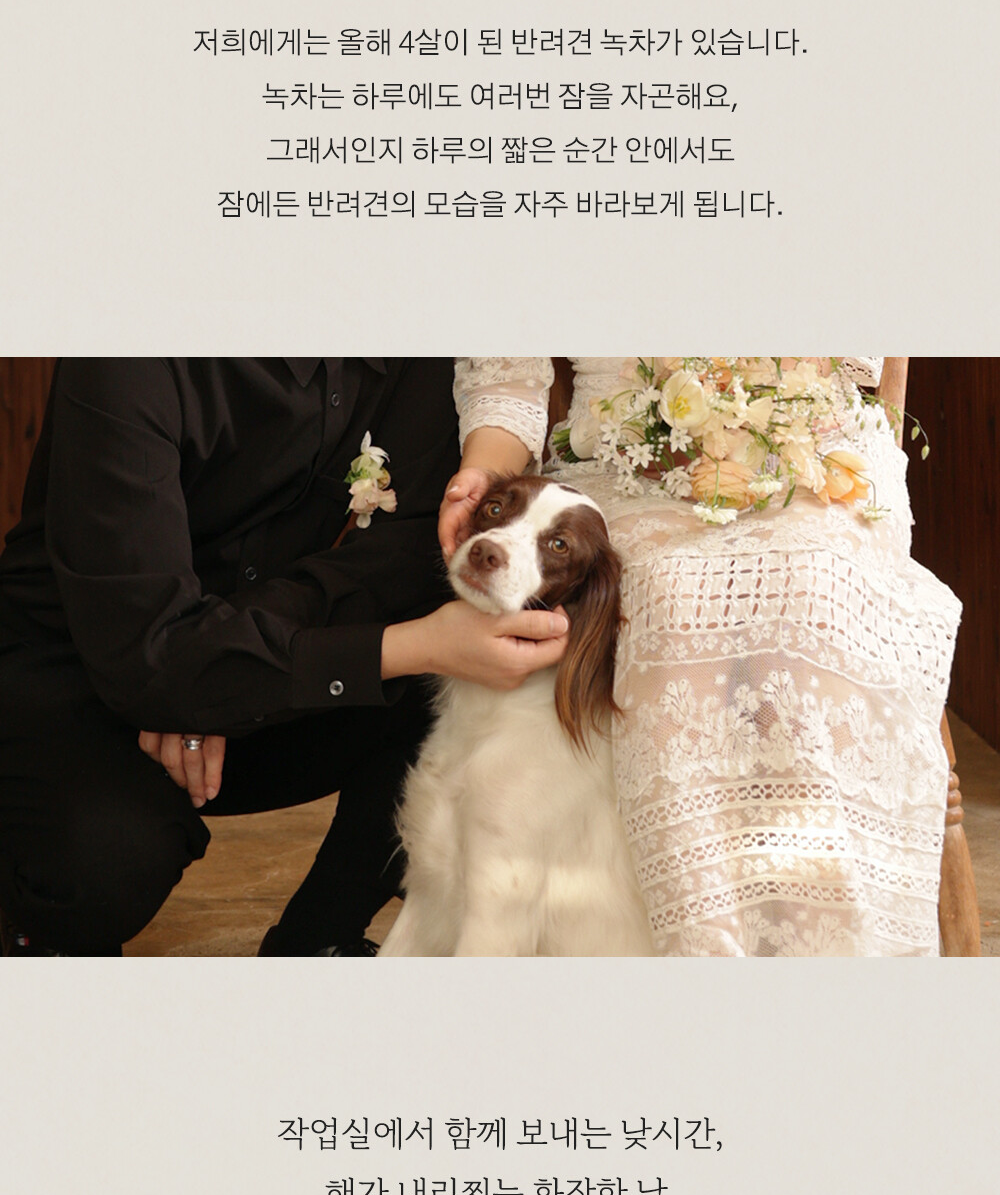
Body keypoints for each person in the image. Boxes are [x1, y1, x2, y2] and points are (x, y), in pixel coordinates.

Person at [0, 360, 567, 953]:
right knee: (104, 866)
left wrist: (221, 667)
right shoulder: (126, 361)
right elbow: (142, 646)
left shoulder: (415, 358)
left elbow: (401, 555)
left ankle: (314, 943)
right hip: (86, 671)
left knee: (477, 682)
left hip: (240, 668)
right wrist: (192, 671)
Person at [448, 358, 971, 956]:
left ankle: (821, 942)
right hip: (619, 467)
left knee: (805, 591)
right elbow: (507, 379)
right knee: (668, 594)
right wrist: (479, 474)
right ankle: (699, 944)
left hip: (816, 471)